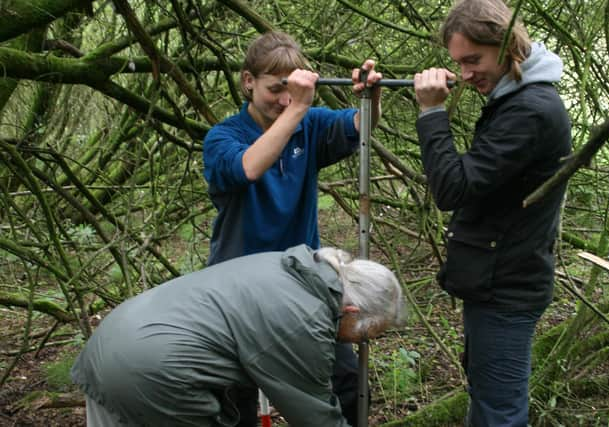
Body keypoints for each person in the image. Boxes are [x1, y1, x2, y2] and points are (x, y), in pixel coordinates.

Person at [202, 31, 382, 425]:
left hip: (302, 283)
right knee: (236, 399)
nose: (285, 100)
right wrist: (297, 109)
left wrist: (370, 96)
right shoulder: (223, 137)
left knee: (346, 382)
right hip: (236, 290)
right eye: (275, 89)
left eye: (293, 90)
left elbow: (359, 126)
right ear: (248, 81)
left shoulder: (309, 125)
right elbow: (248, 167)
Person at [412, 0, 571, 425]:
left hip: (507, 289)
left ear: (506, 47)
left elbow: (453, 187)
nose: (465, 74)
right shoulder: (516, 99)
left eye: (473, 60)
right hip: (497, 282)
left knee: (498, 412)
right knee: (487, 402)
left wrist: (430, 112)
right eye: (458, 63)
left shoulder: (529, 110)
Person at [71, 245, 407, 427]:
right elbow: (315, 414)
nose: (358, 344)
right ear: (352, 312)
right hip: (152, 371)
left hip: (112, 346)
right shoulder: (303, 319)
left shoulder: (290, 267)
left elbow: (241, 370)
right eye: (366, 335)